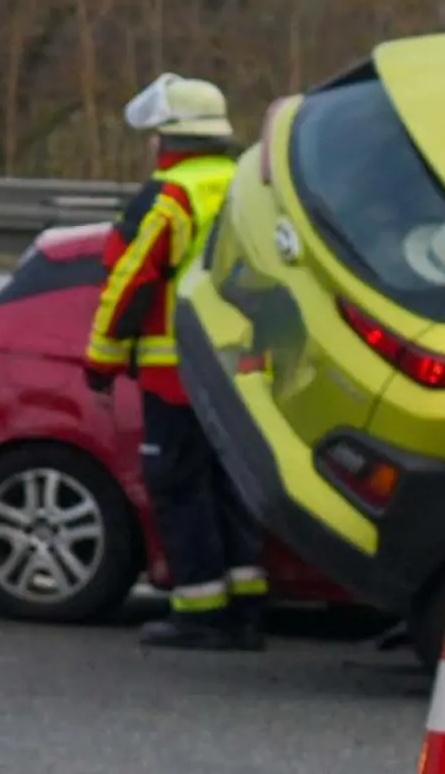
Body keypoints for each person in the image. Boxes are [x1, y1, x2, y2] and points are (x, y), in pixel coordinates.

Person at [83, 73, 268, 651]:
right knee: (230, 485)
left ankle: (199, 611)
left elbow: (129, 280)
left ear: (169, 138)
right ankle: (245, 610)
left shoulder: (170, 197)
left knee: (177, 486)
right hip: (243, 367)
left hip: (176, 373)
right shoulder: (249, 186)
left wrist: (102, 358)